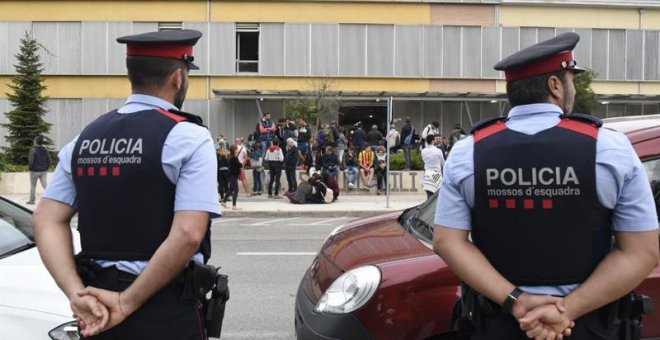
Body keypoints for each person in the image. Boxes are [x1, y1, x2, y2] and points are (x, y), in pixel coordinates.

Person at [433, 32, 659, 340]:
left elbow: (448, 242)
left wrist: (517, 301)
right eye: (570, 81)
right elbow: (642, 252)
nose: (573, 90)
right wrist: (567, 309)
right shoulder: (609, 148)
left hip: (499, 325)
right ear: (555, 85)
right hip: (588, 326)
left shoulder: (467, 151)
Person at [32, 29, 222, 339]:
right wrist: (126, 302)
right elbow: (188, 233)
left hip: (96, 306)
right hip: (161, 305)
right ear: (178, 78)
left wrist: (76, 293)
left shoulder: (85, 138)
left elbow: (45, 218)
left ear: (131, 75)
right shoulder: (189, 137)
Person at [27, 135, 51, 205]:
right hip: (43, 171)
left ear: (36, 142)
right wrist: (46, 167)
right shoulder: (45, 149)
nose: (33, 141)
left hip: (34, 171)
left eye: (34, 140)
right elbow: (49, 160)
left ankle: (32, 200)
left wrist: (30, 168)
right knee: (45, 185)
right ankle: (51, 199)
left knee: (33, 186)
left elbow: (31, 161)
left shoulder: (33, 150)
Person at [421, 134, 445, 199]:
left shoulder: (423, 151)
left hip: (427, 174)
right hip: (436, 174)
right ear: (432, 141)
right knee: (438, 195)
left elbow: (423, 160)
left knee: (429, 196)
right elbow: (443, 163)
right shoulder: (438, 150)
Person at [221, 145, 242, 210]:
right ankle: (234, 206)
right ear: (234, 150)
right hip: (232, 175)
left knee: (231, 189)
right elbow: (239, 165)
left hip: (231, 175)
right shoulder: (234, 158)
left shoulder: (232, 157)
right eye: (236, 149)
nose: (237, 150)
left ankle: (224, 202)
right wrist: (241, 163)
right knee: (236, 190)